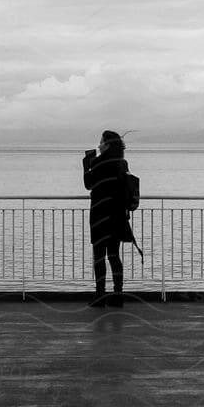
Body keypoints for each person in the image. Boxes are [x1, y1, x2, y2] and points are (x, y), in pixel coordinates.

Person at [81, 130, 136, 307]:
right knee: (114, 255)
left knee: (99, 256)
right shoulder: (122, 163)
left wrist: (86, 164)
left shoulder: (98, 163)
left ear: (108, 144)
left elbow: (88, 184)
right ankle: (118, 294)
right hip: (117, 215)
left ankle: (100, 295)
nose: (99, 145)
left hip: (100, 214)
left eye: (101, 142)